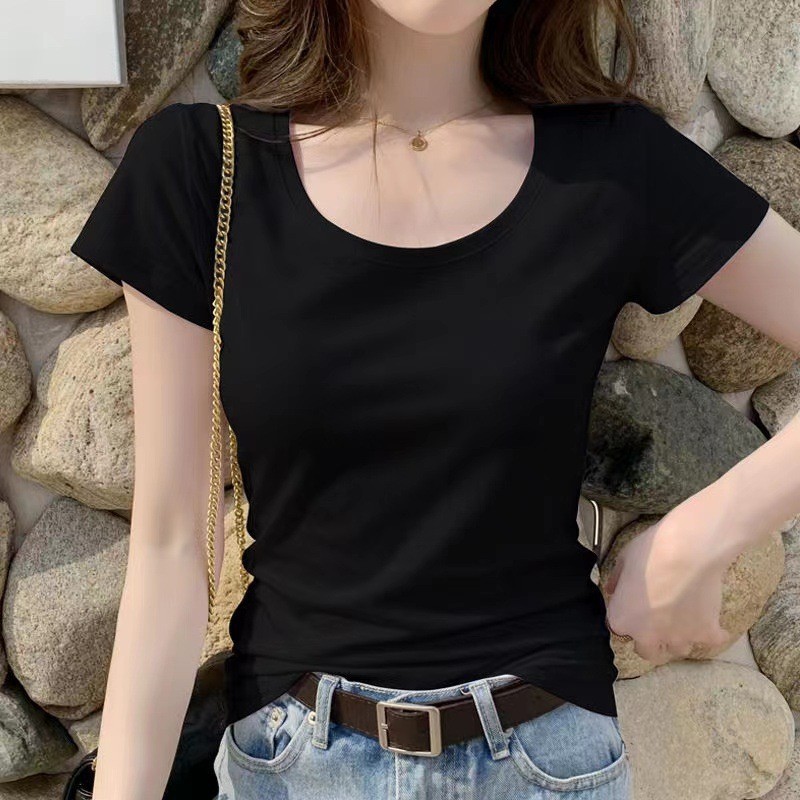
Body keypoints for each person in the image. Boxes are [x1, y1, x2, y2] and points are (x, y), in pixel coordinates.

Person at [68, 1, 800, 798]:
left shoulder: (610, 162)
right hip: (292, 764)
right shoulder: (203, 169)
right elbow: (171, 547)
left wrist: (707, 533)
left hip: (544, 762)